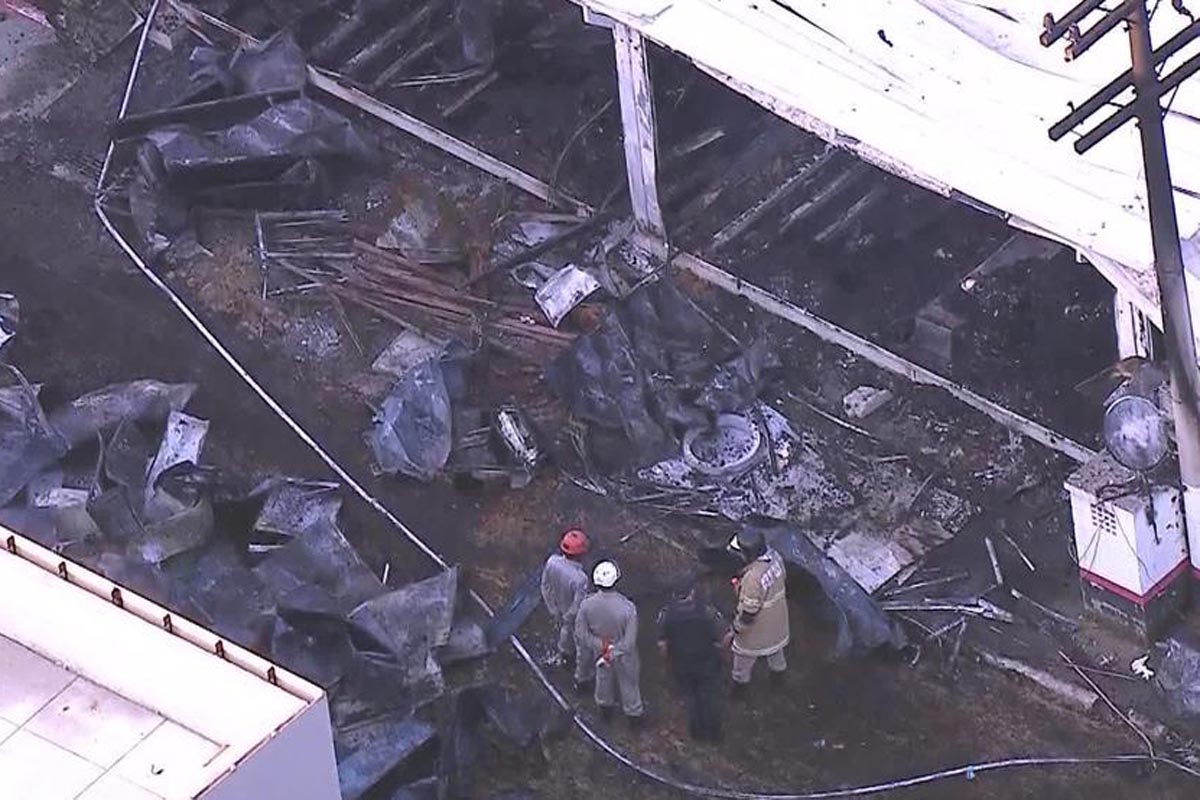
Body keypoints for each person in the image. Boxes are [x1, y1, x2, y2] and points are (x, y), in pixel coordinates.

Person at [574, 559, 644, 727]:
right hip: (624, 656)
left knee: (603, 681)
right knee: (629, 685)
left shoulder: (587, 604)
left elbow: (581, 633)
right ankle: (634, 718)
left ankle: (605, 713)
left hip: (600, 652)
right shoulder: (628, 608)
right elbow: (629, 642)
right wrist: (613, 652)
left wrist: (602, 647)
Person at [656, 581, 729, 742]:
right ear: (692, 593)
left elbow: (662, 644)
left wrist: (667, 662)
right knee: (710, 697)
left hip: (682, 664)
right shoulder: (707, 612)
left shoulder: (667, 614)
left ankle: (697, 734)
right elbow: (724, 637)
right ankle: (715, 734)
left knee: (691, 699)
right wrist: (720, 652)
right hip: (707, 663)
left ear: (674, 595)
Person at [727, 527, 789, 694]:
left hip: (757, 630)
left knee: (742, 659)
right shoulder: (775, 557)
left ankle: (740, 690)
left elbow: (749, 612)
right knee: (776, 653)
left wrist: (735, 630)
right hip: (778, 621)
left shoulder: (753, 579)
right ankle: (779, 683)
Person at [540, 529, 591, 667]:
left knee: (562, 632)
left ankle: (562, 655)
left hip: (556, 607)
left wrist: (552, 609)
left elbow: (545, 586)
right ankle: (572, 662)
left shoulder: (552, 562)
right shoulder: (581, 579)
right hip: (570, 614)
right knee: (574, 637)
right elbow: (577, 605)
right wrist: (568, 617)